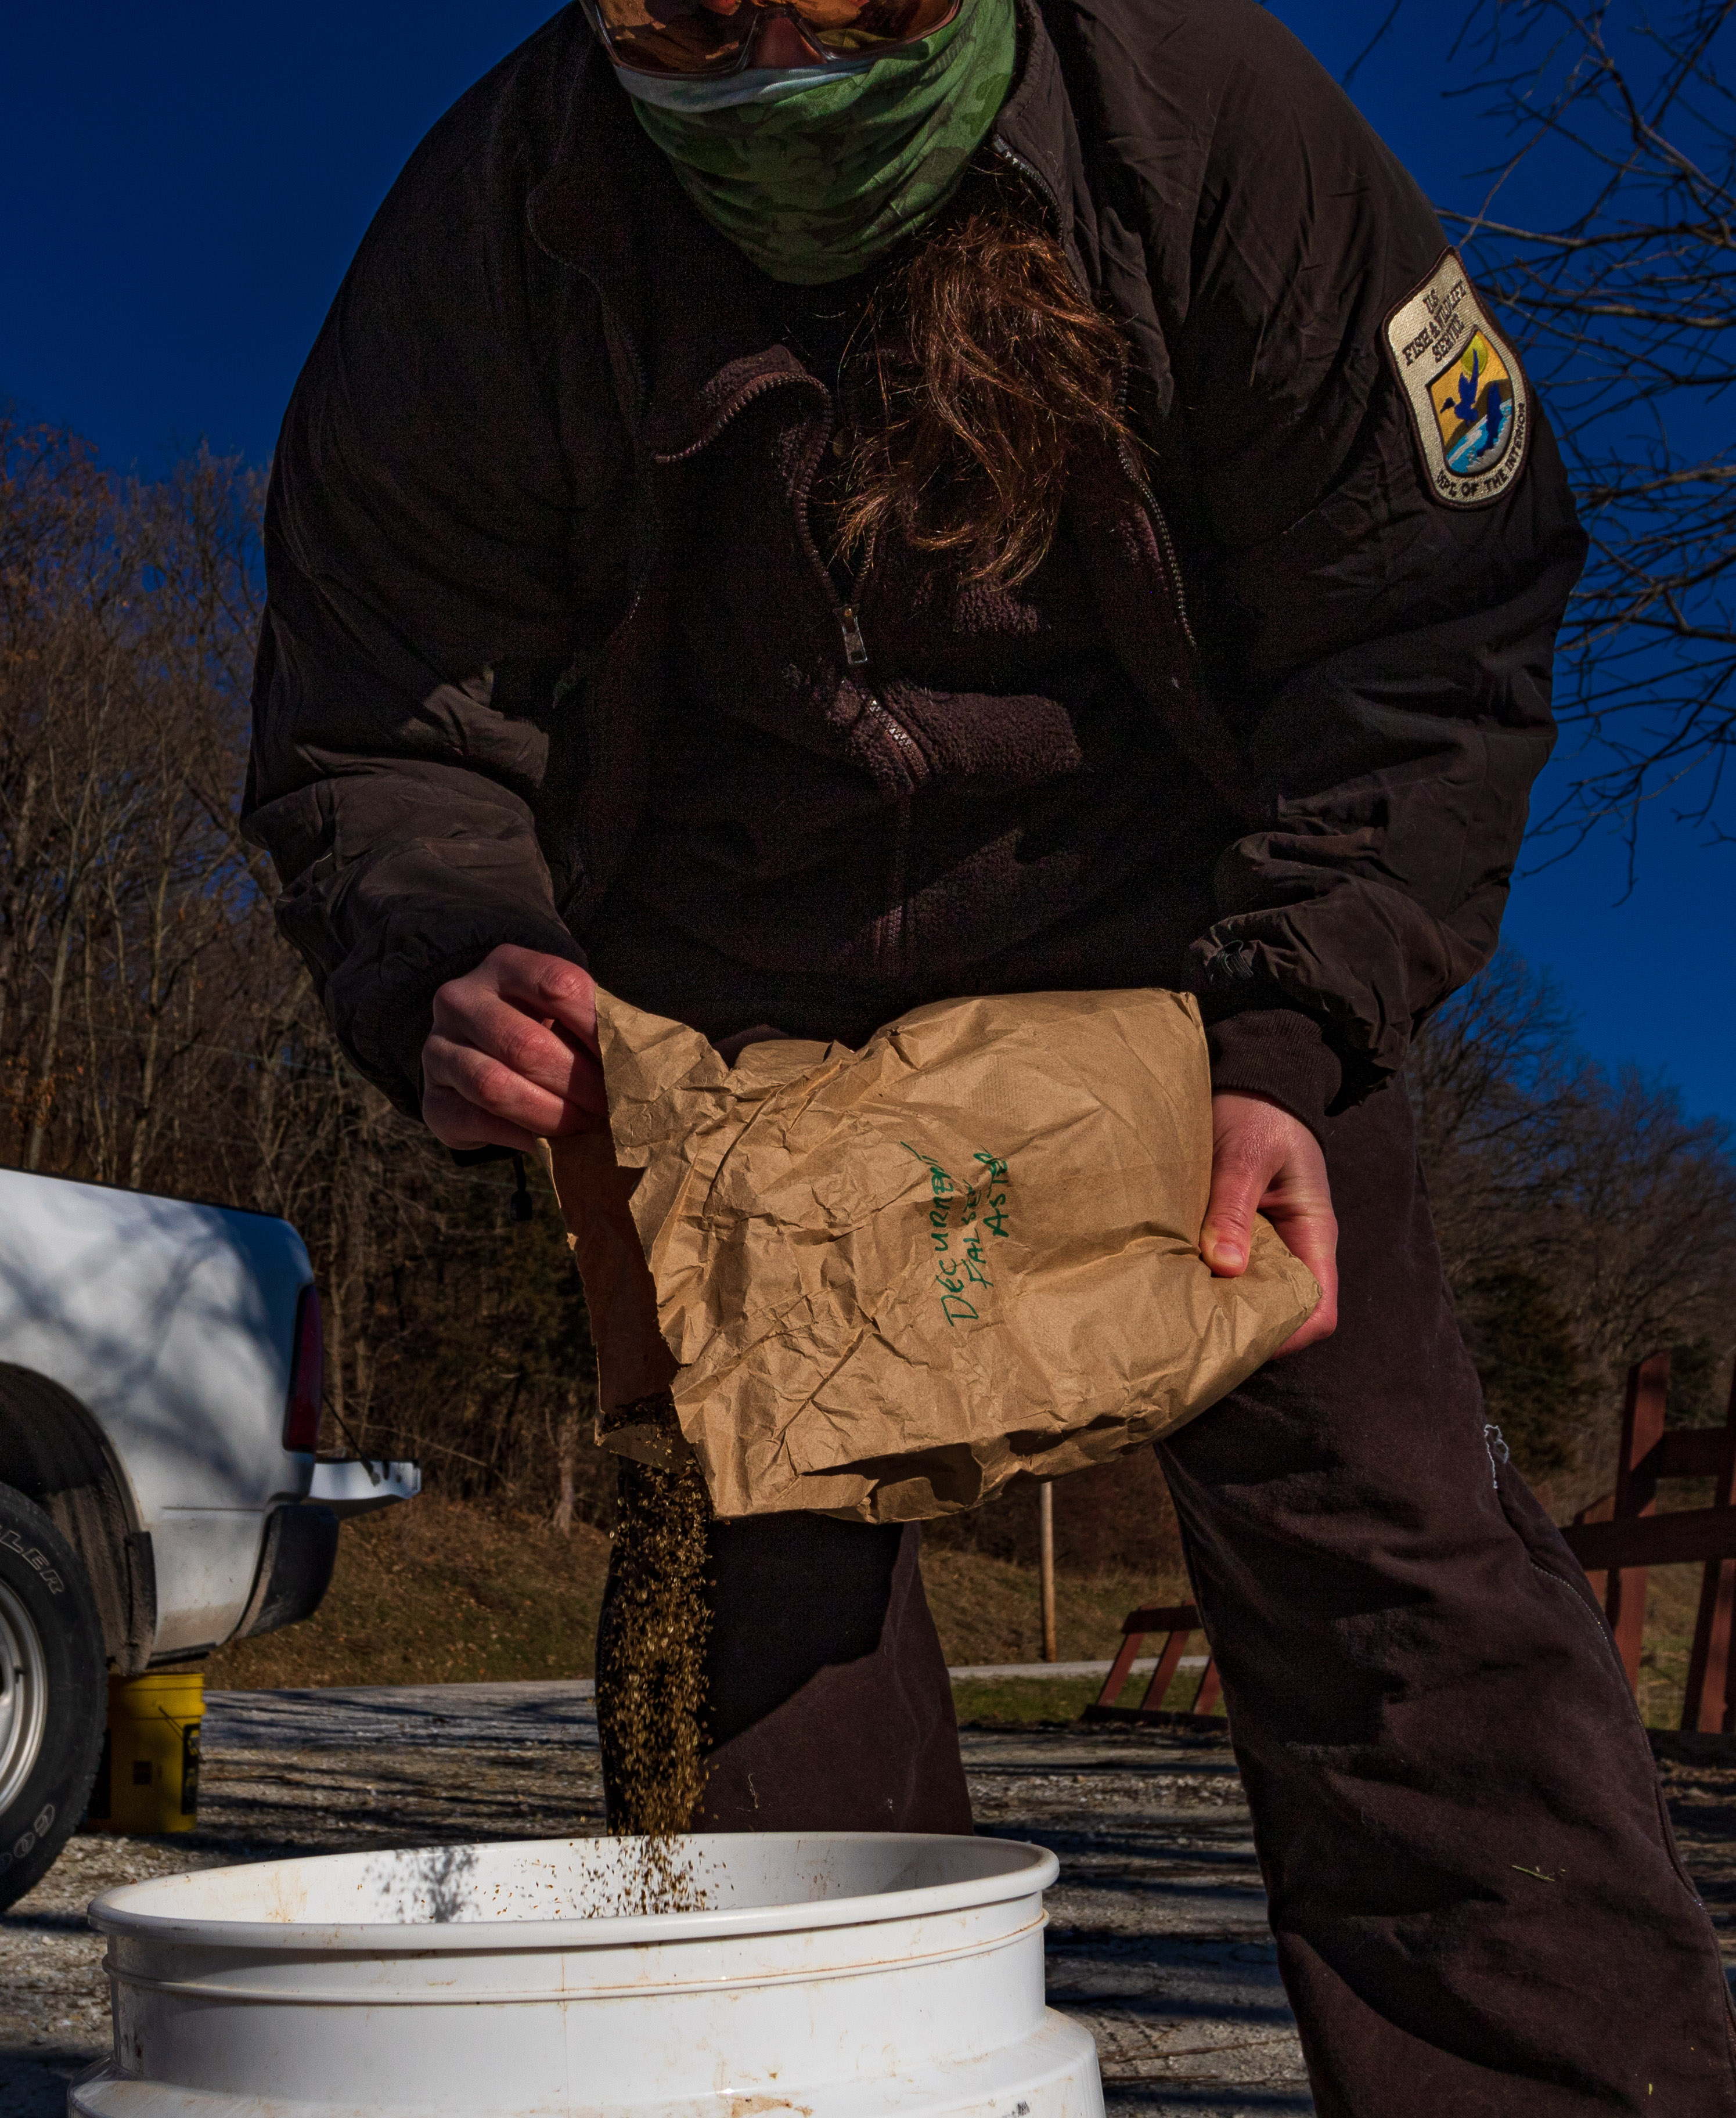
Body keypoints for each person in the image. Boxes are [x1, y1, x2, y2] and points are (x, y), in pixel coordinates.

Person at [243, 0, 1736, 2105]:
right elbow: (378, 718)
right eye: (689, 13)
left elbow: (1431, 617)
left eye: (849, 4)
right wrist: (449, 956)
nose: (776, 69)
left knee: (1399, 1591)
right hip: (729, 1029)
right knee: (747, 1623)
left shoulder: (1218, 125)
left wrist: (1295, 1020)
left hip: (1192, 977)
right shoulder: (482, 234)